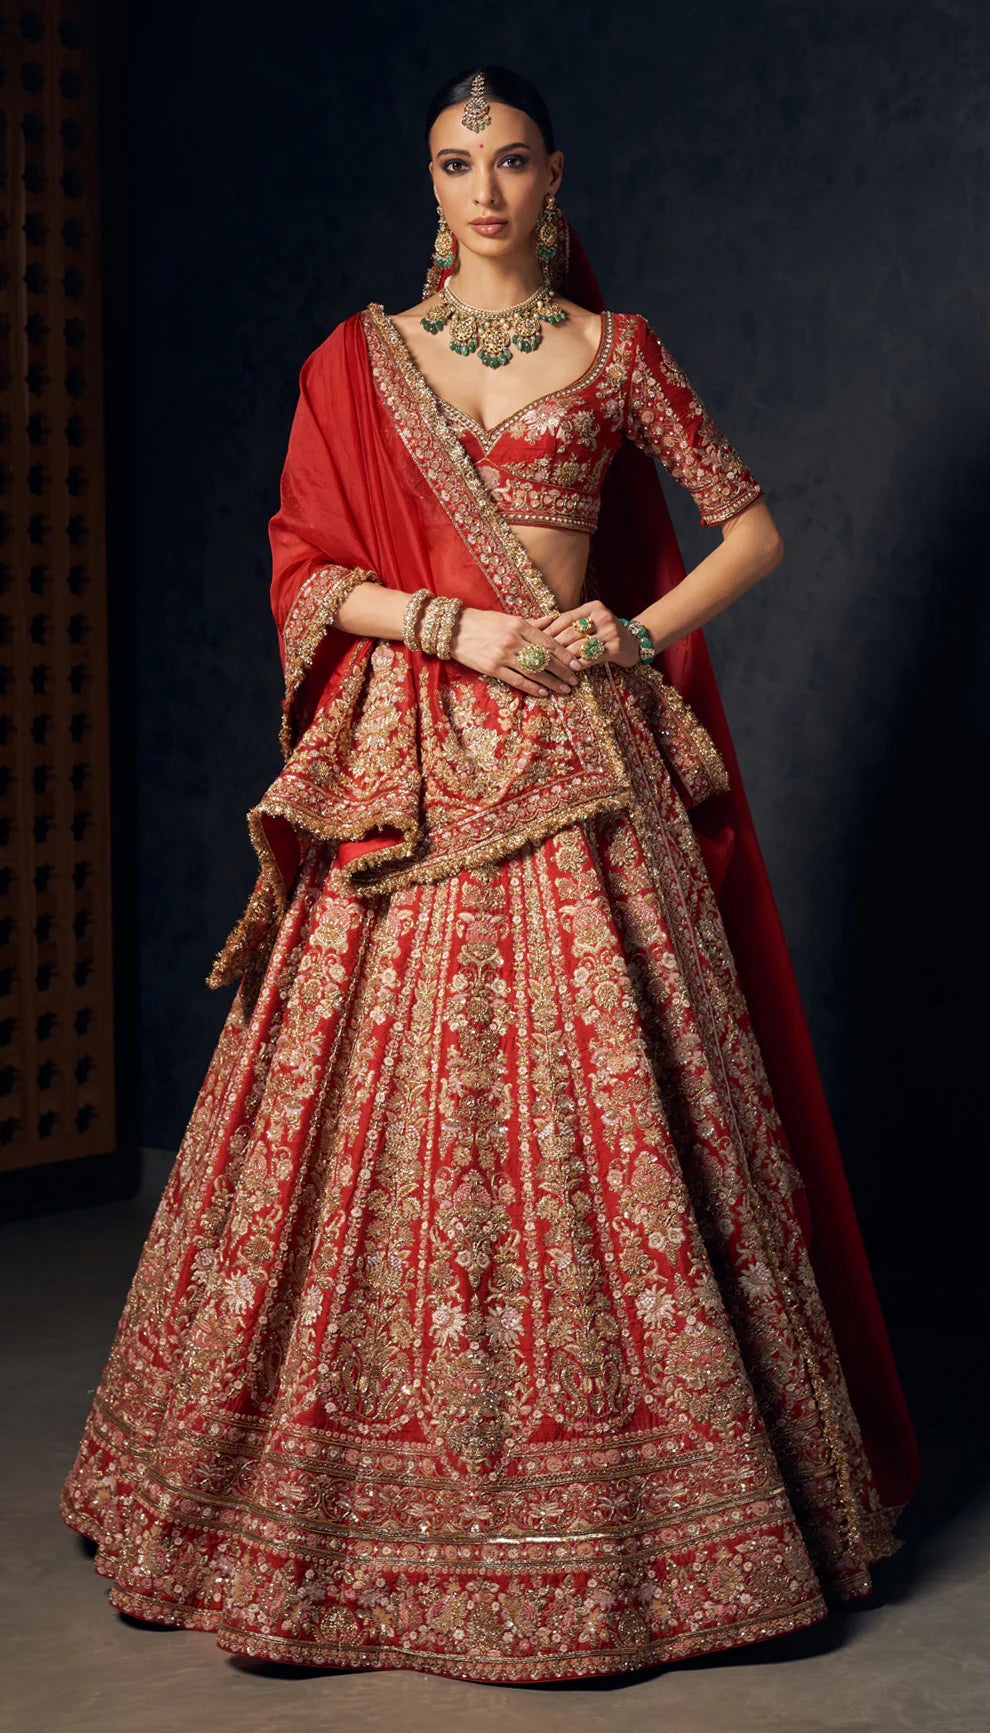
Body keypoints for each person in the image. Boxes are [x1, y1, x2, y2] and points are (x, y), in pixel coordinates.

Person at [60, 64, 920, 1685]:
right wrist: (455, 629)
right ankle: (319, 1501)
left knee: (622, 1105)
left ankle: (653, 1506)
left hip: (579, 749)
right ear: (428, 182)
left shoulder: (618, 351)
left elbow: (747, 529)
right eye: (455, 162)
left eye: (510, 159)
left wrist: (628, 637)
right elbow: (306, 568)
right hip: (408, 755)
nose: (484, 189)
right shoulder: (360, 358)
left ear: (552, 174)